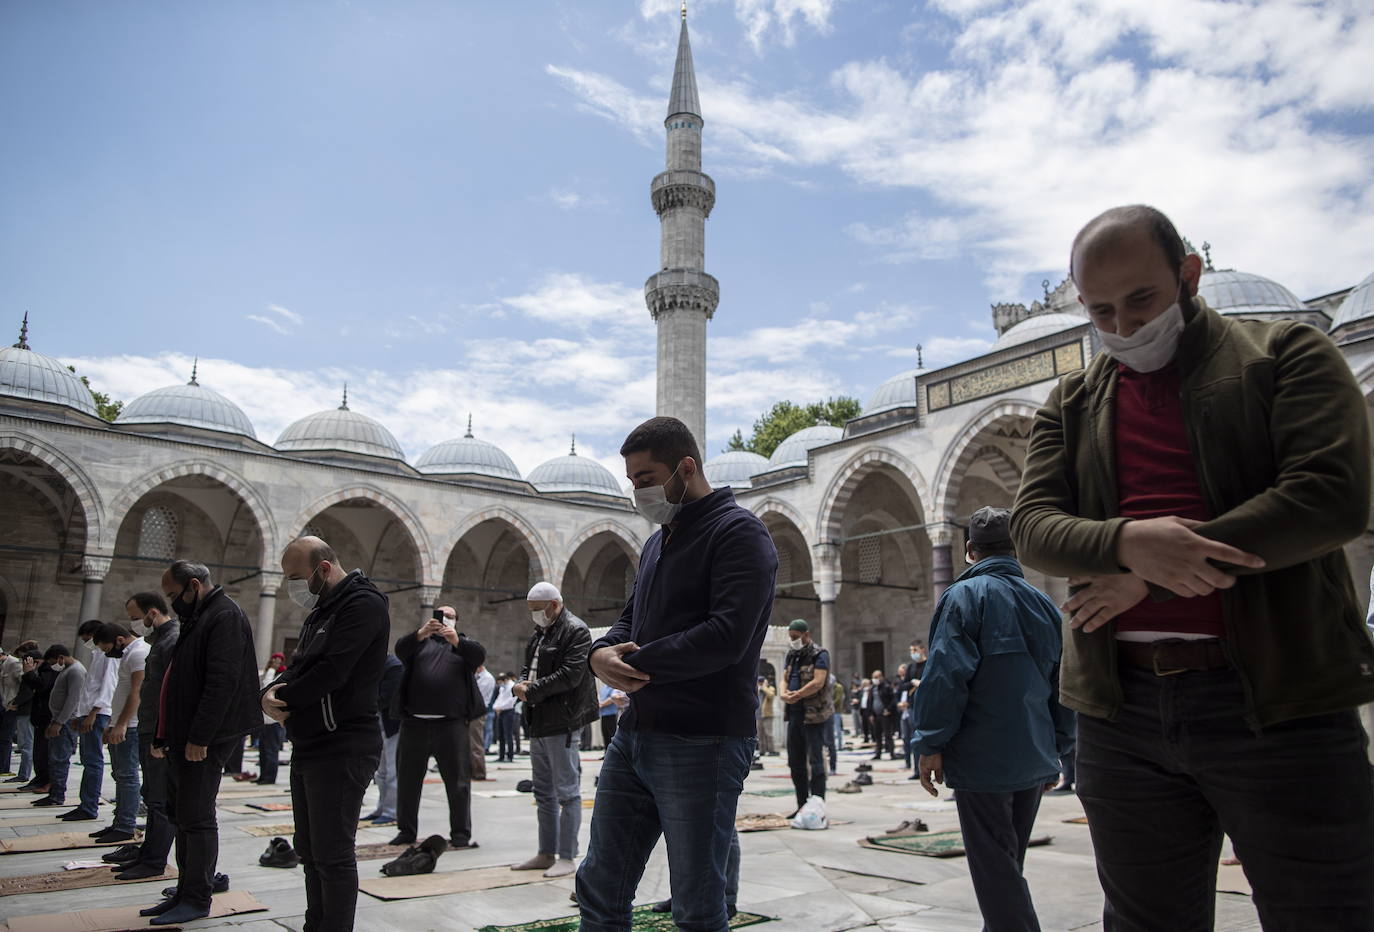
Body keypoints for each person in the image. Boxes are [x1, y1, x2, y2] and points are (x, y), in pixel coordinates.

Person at [1011, 204, 1374, 930]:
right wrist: (1125, 542)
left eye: (1141, 299)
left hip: (1280, 698)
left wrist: (1148, 573)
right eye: (1101, 311)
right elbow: (1033, 529)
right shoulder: (1073, 402)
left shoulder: (1286, 354)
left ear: (1189, 274)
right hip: (1122, 713)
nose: (1123, 325)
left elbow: (1330, 498)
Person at [578, 416, 778, 931]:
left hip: (703, 740)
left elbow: (725, 636)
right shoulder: (657, 541)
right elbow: (631, 618)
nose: (637, 492)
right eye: (632, 481)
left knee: (697, 903)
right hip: (636, 734)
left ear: (686, 468)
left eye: (646, 479)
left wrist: (633, 664)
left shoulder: (739, 533)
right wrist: (600, 653)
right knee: (600, 884)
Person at [912, 506, 1074, 932]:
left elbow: (945, 677)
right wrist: (1058, 749)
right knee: (1007, 863)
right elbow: (1064, 685)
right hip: (1034, 754)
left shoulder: (963, 597)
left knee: (996, 869)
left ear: (970, 550)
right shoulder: (1044, 605)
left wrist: (930, 743)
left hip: (982, 759)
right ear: (1015, 548)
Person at [262, 536, 389, 932]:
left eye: (295, 577)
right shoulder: (323, 610)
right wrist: (268, 693)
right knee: (310, 850)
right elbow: (300, 664)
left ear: (324, 568)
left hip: (343, 744)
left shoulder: (363, 604)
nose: (292, 586)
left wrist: (284, 700)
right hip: (311, 741)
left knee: (332, 853)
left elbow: (333, 670)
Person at [140, 560, 260, 926]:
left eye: (174, 594)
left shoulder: (224, 615)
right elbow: (178, 681)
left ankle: (197, 897)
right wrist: (165, 733)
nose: (172, 602)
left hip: (207, 736)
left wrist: (199, 737)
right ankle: (183, 891)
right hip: (184, 733)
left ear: (194, 585)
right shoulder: (200, 616)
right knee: (181, 813)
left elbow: (222, 682)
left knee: (196, 815)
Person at [511, 581, 599, 878]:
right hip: (538, 720)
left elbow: (570, 675)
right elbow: (529, 668)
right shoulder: (541, 632)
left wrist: (530, 690)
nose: (534, 615)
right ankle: (545, 853)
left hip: (562, 721)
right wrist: (520, 684)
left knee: (567, 792)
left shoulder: (576, 631)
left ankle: (566, 856)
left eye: (538, 609)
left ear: (554, 605)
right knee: (543, 792)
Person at [391, 604, 486, 850]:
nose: (445, 619)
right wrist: (421, 633)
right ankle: (406, 831)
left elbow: (479, 656)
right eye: (441, 615)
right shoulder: (419, 643)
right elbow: (400, 649)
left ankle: (460, 833)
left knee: (458, 782)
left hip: (450, 725)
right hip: (415, 723)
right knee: (408, 780)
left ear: (457, 621)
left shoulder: (463, 645)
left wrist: (456, 640)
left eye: (450, 616)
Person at [109, 591, 179, 880]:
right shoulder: (158, 640)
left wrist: (162, 734)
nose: (134, 624)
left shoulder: (172, 639)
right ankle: (147, 853)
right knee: (151, 796)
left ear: (152, 613)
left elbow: (171, 691)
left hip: (158, 731)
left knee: (160, 800)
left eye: (136, 618)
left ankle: (154, 860)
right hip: (149, 727)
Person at [90, 622, 147, 844]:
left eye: (106, 649)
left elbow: (137, 693)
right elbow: (121, 692)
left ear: (119, 640)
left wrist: (122, 724)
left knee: (127, 776)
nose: (107, 654)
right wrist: (113, 723)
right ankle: (119, 822)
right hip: (121, 723)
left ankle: (126, 826)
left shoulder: (139, 653)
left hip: (131, 726)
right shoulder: (128, 654)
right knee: (119, 775)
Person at [62, 619, 118, 822]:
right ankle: (85, 803)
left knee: (93, 760)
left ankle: (89, 805)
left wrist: (94, 713)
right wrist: (80, 713)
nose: (88, 643)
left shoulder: (109, 655)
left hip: (98, 713)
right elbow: (89, 688)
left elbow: (108, 686)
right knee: (87, 759)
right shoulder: (97, 655)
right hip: (88, 712)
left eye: (89, 639)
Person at [780, 619, 832, 812]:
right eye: (790, 637)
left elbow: (818, 682)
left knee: (816, 762)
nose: (792, 640)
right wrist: (783, 693)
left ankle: (817, 807)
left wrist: (798, 694)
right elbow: (784, 679)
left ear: (806, 635)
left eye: (795, 637)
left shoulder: (819, 654)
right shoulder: (791, 655)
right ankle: (802, 806)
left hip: (813, 717)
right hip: (794, 716)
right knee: (795, 763)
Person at [31, 644, 83, 809]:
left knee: (59, 758)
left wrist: (59, 722)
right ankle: (54, 791)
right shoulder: (67, 670)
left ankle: (57, 794)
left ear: (61, 658)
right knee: (53, 758)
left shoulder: (76, 671)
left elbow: (73, 700)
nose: (53, 666)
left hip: (66, 722)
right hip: (58, 719)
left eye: (53, 662)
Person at [363, 652, 403, 825]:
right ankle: (382, 807)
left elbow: (387, 697)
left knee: (393, 771)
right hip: (380, 723)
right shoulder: (375, 664)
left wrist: (364, 702)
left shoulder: (394, 667)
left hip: (393, 725)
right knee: (381, 773)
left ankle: (391, 810)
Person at [19, 646, 60, 794]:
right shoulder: (42, 670)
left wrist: (29, 673)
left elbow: (41, 686)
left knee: (43, 752)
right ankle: (39, 778)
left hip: (46, 716)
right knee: (38, 752)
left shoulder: (48, 670)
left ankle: (46, 780)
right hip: (39, 717)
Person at [3, 643, 41, 784]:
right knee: (24, 743)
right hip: (24, 711)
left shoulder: (32, 676)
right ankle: (23, 773)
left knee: (26, 744)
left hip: (26, 712)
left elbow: (27, 692)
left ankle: (24, 774)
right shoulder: (31, 675)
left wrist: (15, 703)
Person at [256, 654, 287, 785]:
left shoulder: (281, 675)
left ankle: (269, 777)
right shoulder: (269, 673)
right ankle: (263, 775)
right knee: (263, 750)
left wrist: (271, 670)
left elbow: (267, 687)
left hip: (273, 721)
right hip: (265, 720)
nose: (274, 662)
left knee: (270, 750)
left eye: (277, 660)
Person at [470, 663, 495, 780]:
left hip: (478, 712)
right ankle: (472, 770)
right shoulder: (478, 677)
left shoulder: (487, 678)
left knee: (476, 742)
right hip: (472, 711)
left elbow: (477, 694)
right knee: (471, 743)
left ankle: (479, 772)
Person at [868, 669, 896, 760]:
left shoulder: (887, 687)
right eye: (873, 677)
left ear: (881, 677)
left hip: (885, 714)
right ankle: (878, 753)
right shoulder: (872, 689)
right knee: (877, 735)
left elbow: (893, 699)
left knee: (888, 735)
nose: (875, 679)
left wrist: (889, 709)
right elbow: (870, 702)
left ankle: (892, 753)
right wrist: (871, 714)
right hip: (875, 715)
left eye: (876, 677)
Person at [492, 673, 516, 762]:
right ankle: (501, 755)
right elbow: (499, 698)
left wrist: (501, 708)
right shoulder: (502, 688)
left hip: (508, 711)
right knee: (500, 735)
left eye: (500, 683)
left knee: (508, 735)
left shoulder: (512, 686)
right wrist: (495, 707)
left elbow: (511, 701)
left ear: (505, 680)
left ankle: (510, 755)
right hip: (501, 712)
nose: (500, 685)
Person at [754, 676, 776, 756]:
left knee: (768, 733)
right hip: (758, 715)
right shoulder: (757, 689)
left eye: (761, 682)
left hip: (767, 715)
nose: (760, 683)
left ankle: (771, 750)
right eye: (759, 682)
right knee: (760, 735)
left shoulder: (770, 688)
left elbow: (771, 695)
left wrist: (764, 687)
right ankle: (762, 751)